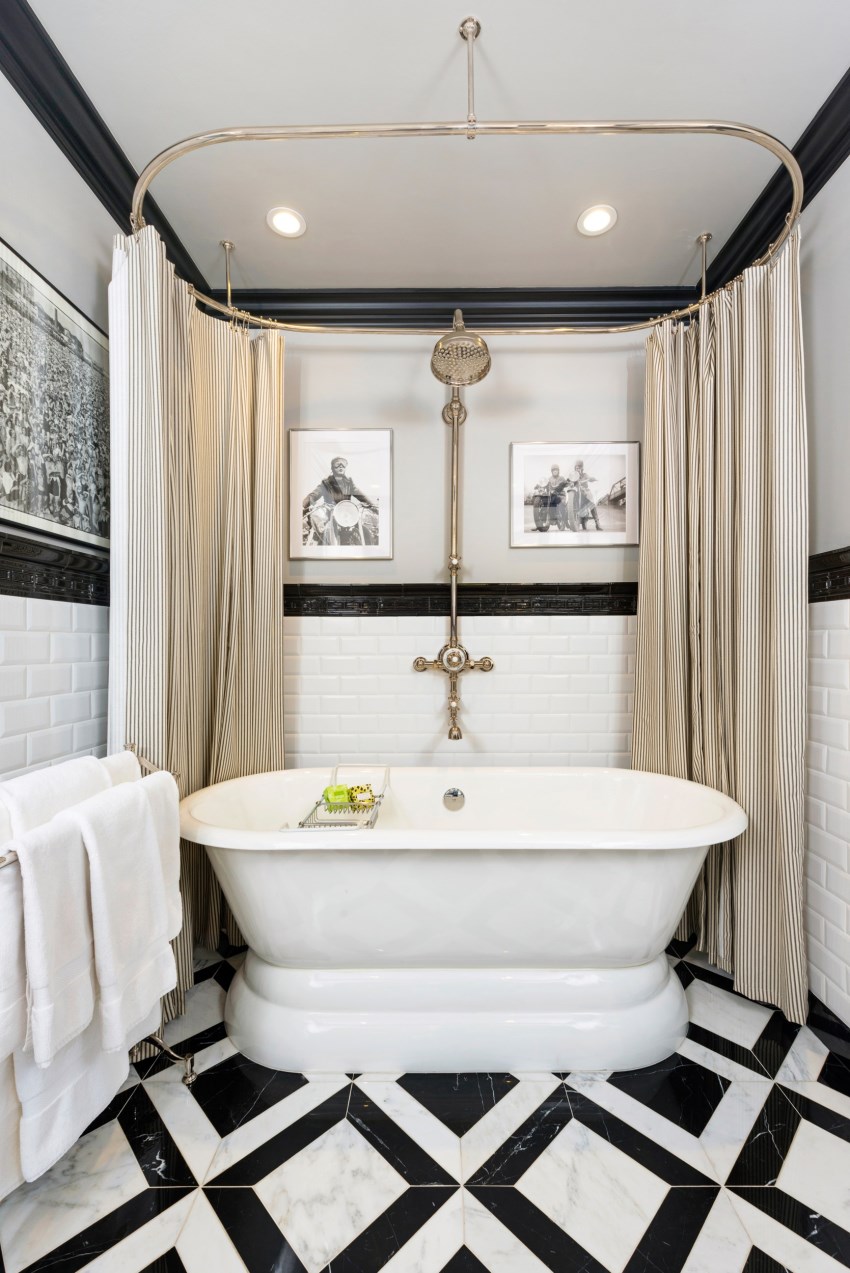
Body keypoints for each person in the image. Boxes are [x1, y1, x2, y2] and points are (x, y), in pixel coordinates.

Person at [303, 455, 378, 545]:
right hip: (331, 515)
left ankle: (368, 554)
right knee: (325, 533)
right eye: (337, 464)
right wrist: (308, 501)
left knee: (365, 532)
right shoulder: (326, 483)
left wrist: (373, 505)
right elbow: (314, 494)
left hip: (347, 516)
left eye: (343, 464)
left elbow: (361, 495)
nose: (341, 466)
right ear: (332, 467)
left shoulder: (349, 483)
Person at [570, 459, 600, 530]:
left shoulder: (585, 475)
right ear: (575, 468)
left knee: (591, 503)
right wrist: (567, 481)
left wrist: (591, 479)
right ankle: (571, 520)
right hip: (576, 492)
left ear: (582, 468)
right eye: (576, 468)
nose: (578, 469)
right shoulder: (573, 476)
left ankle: (597, 523)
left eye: (579, 467)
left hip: (585, 491)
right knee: (569, 503)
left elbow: (589, 478)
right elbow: (569, 480)